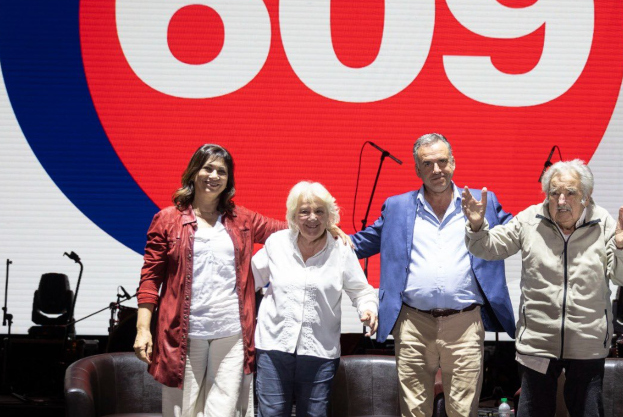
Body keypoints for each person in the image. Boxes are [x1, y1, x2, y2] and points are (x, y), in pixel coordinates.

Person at [352, 133, 516, 417]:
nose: (437, 169)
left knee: (463, 412)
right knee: (413, 411)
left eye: (442, 161)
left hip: (465, 323)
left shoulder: (481, 202)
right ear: (417, 169)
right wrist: (324, 238)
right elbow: (361, 243)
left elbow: (520, 234)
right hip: (412, 324)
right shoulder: (397, 206)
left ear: (453, 162)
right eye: (428, 164)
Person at [463, 159, 623, 417]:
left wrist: (622, 247)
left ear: (587, 197)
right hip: (538, 343)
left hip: (587, 344)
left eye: (570, 192)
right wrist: (477, 227)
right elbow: (486, 248)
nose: (561, 200)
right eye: (554, 193)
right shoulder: (530, 220)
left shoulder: (605, 223)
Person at [135, 144, 286, 417]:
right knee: (183, 410)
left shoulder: (243, 219)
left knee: (224, 411)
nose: (214, 175)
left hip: (232, 332)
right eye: (208, 168)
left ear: (229, 180)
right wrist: (143, 329)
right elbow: (149, 278)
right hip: (183, 334)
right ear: (194, 172)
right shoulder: (167, 219)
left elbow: (288, 230)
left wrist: (326, 225)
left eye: (222, 171)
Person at [252, 181, 377, 417]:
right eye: (305, 211)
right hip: (274, 346)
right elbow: (248, 280)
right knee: (271, 413)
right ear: (294, 216)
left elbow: (361, 291)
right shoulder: (277, 244)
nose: (312, 218)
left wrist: (368, 308)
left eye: (319, 211)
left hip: (319, 351)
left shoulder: (341, 249)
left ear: (329, 216)